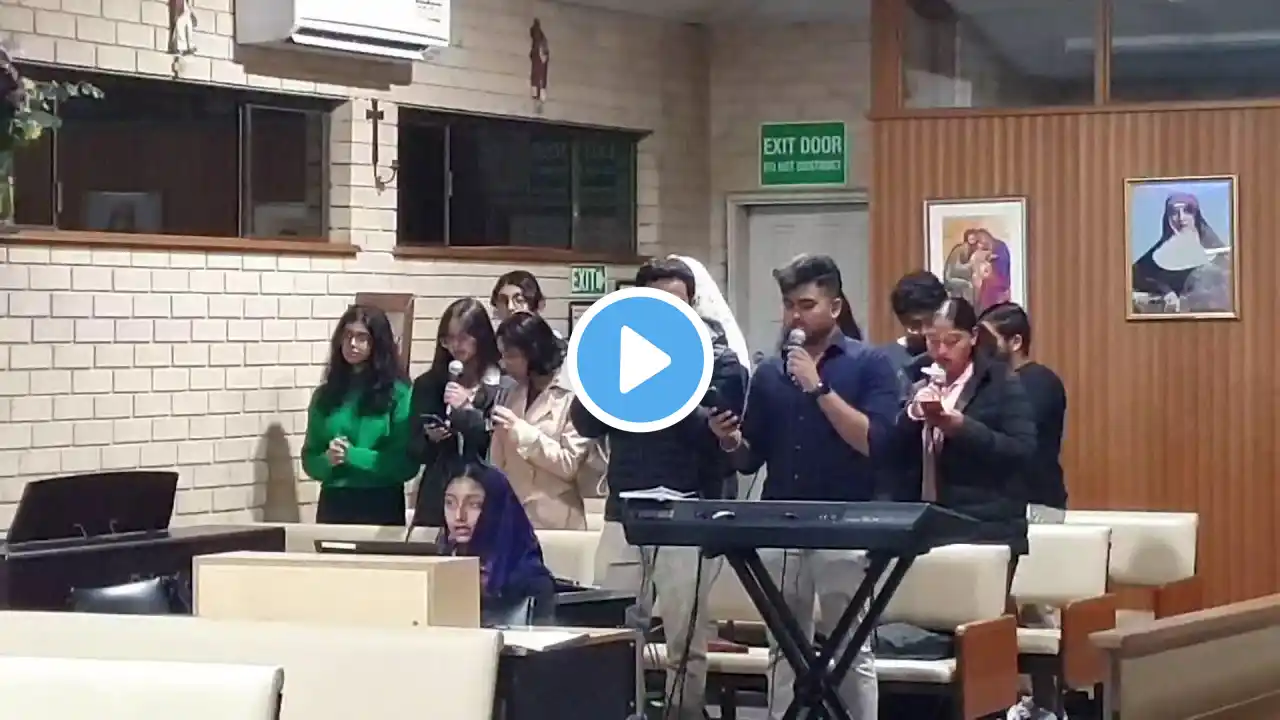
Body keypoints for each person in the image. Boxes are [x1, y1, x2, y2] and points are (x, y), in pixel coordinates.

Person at [708, 254, 901, 720]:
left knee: (851, 647)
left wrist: (818, 389)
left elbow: (874, 443)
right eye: (789, 305)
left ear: (835, 307)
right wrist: (729, 439)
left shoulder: (869, 364)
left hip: (846, 526)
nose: (795, 316)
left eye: (807, 305)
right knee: (783, 647)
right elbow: (752, 457)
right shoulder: (771, 373)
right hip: (781, 526)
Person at [571, 257, 748, 720]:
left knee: (684, 641)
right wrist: (601, 376)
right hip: (624, 511)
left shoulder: (720, 361)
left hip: (686, 513)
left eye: (679, 304)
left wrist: (659, 389)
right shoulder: (621, 353)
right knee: (610, 634)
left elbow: (717, 434)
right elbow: (585, 421)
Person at [884, 296, 1035, 562]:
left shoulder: (1000, 381)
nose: (941, 351)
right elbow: (888, 450)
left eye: (953, 341)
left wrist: (963, 428)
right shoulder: (913, 376)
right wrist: (912, 415)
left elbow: (1023, 451)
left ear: (973, 336)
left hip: (986, 528)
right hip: (924, 524)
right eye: (933, 341)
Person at [301, 305, 418, 525]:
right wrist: (327, 460)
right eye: (347, 336)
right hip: (334, 500)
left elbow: (406, 464)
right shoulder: (325, 395)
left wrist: (353, 455)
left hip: (381, 501)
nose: (352, 344)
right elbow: (309, 458)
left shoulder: (398, 393)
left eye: (361, 337)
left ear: (377, 343)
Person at [491, 312, 593, 530]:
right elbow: (500, 461)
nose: (504, 364)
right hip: (514, 512)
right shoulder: (513, 392)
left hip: (556, 516)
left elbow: (569, 464)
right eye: (502, 356)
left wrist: (523, 432)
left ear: (533, 352)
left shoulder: (573, 393)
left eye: (511, 356)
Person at [410, 298, 504, 527]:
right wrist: (429, 438)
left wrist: (467, 409)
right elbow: (413, 448)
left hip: (485, 492)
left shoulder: (502, 383)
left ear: (481, 336)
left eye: (462, 337)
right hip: (439, 494)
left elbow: (497, 444)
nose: (455, 345)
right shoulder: (428, 384)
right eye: (448, 339)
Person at [438, 461, 557, 626]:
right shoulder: (439, 570)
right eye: (450, 503)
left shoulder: (531, 580)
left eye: (474, 504)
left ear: (498, 509)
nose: (459, 516)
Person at [882, 270, 949, 383]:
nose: (924, 331)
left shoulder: (960, 352)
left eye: (930, 322)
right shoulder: (887, 361)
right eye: (915, 325)